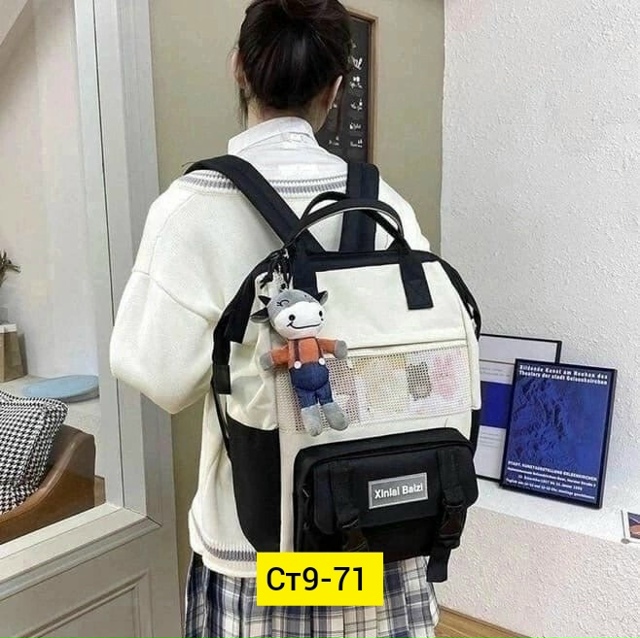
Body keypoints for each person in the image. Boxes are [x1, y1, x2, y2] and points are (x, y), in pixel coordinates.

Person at [110, 0, 439, 635]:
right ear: (336, 89)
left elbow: (162, 378)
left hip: (260, 553)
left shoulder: (192, 208)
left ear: (239, 67)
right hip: (377, 532)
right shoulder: (384, 203)